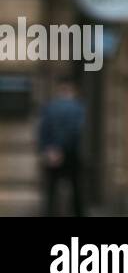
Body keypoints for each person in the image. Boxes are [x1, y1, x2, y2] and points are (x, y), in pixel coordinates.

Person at [38, 73, 86, 217]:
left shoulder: (49, 107)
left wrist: (48, 149)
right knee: (76, 188)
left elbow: (42, 130)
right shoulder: (78, 107)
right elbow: (75, 131)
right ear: (72, 89)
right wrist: (61, 148)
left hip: (52, 153)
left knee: (51, 190)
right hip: (70, 153)